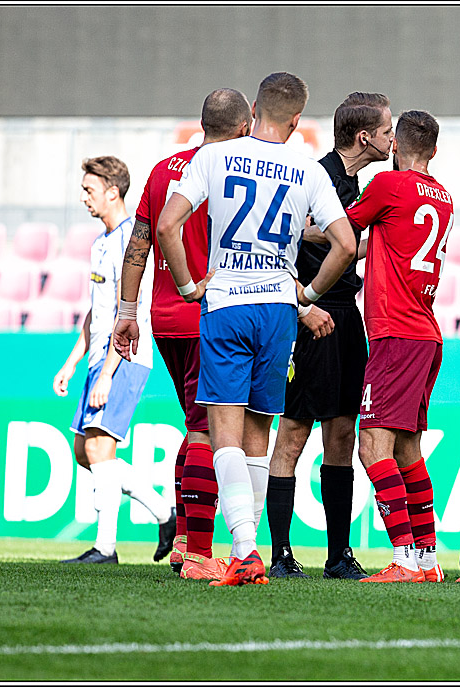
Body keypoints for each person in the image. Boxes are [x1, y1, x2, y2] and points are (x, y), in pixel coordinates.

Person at [155, 72, 357, 587]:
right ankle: (252, 551)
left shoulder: (213, 157)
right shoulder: (308, 167)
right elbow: (346, 244)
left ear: (252, 115)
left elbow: (166, 226)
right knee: (258, 435)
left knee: (221, 428)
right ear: (296, 120)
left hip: (226, 303)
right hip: (278, 311)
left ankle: (244, 551)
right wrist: (307, 296)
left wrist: (186, 286)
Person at [113, 88, 254, 581]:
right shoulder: (237, 173)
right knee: (208, 432)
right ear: (244, 126)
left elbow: (138, 244)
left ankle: (180, 544)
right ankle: (198, 553)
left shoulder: (162, 170)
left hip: (166, 320)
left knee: (195, 425)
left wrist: (126, 313)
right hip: (212, 316)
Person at [265, 92, 393, 580]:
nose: (392, 139)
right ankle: (280, 555)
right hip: (310, 314)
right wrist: (302, 302)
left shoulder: (362, 185)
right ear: (365, 137)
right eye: (386, 131)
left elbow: (346, 243)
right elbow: (279, 241)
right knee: (294, 432)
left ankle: (338, 557)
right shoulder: (311, 176)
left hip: (346, 316)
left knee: (341, 433)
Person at [343, 110, 452, 583]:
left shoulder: (388, 186)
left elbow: (340, 230)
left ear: (394, 146)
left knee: (372, 446)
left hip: (396, 334)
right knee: (408, 448)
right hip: (425, 335)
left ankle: (404, 558)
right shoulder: (443, 196)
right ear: (433, 150)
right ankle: (428, 562)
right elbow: (384, 241)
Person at [53, 156, 175, 564]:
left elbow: (131, 310)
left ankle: (105, 548)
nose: (84, 197)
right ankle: (164, 512)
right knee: (82, 451)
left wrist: (108, 371)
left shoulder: (129, 241)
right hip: (97, 360)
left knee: (101, 449)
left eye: (90, 190)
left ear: (113, 191)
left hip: (125, 357)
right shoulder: (100, 243)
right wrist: (73, 363)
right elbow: (96, 310)